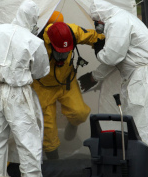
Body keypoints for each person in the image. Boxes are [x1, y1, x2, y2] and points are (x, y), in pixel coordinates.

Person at [0, 0, 50, 177]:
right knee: (28, 140)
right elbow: (41, 71)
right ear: (33, 19)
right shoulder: (33, 41)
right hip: (18, 92)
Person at [78, 0, 148, 154]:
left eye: (96, 21)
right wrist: (95, 76)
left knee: (142, 128)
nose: (96, 26)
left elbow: (112, 57)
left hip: (143, 79)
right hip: (139, 77)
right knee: (134, 126)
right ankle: (137, 168)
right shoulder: (121, 19)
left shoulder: (117, 23)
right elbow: (116, 60)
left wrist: (99, 53)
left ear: (100, 18)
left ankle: (145, 172)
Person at [32, 16, 105, 159]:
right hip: (42, 87)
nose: (63, 55)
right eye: (59, 52)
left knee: (80, 113)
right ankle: (55, 163)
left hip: (66, 82)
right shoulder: (35, 43)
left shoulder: (73, 32)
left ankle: (73, 125)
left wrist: (102, 50)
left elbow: (95, 37)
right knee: (48, 131)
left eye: (66, 51)